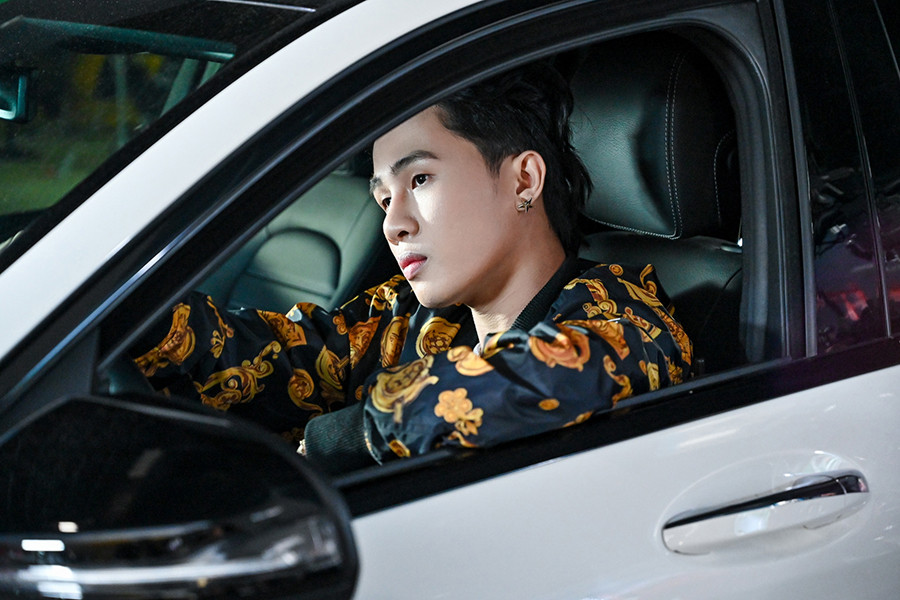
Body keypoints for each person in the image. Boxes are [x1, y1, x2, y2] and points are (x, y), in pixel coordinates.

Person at [133, 61, 692, 473]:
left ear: (523, 179)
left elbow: (555, 375)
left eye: (419, 178)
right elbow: (272, 357)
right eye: (383, 198)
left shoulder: (626, 315)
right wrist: (131, 316)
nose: (392, 224)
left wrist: (345, 436)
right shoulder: (406, 321)